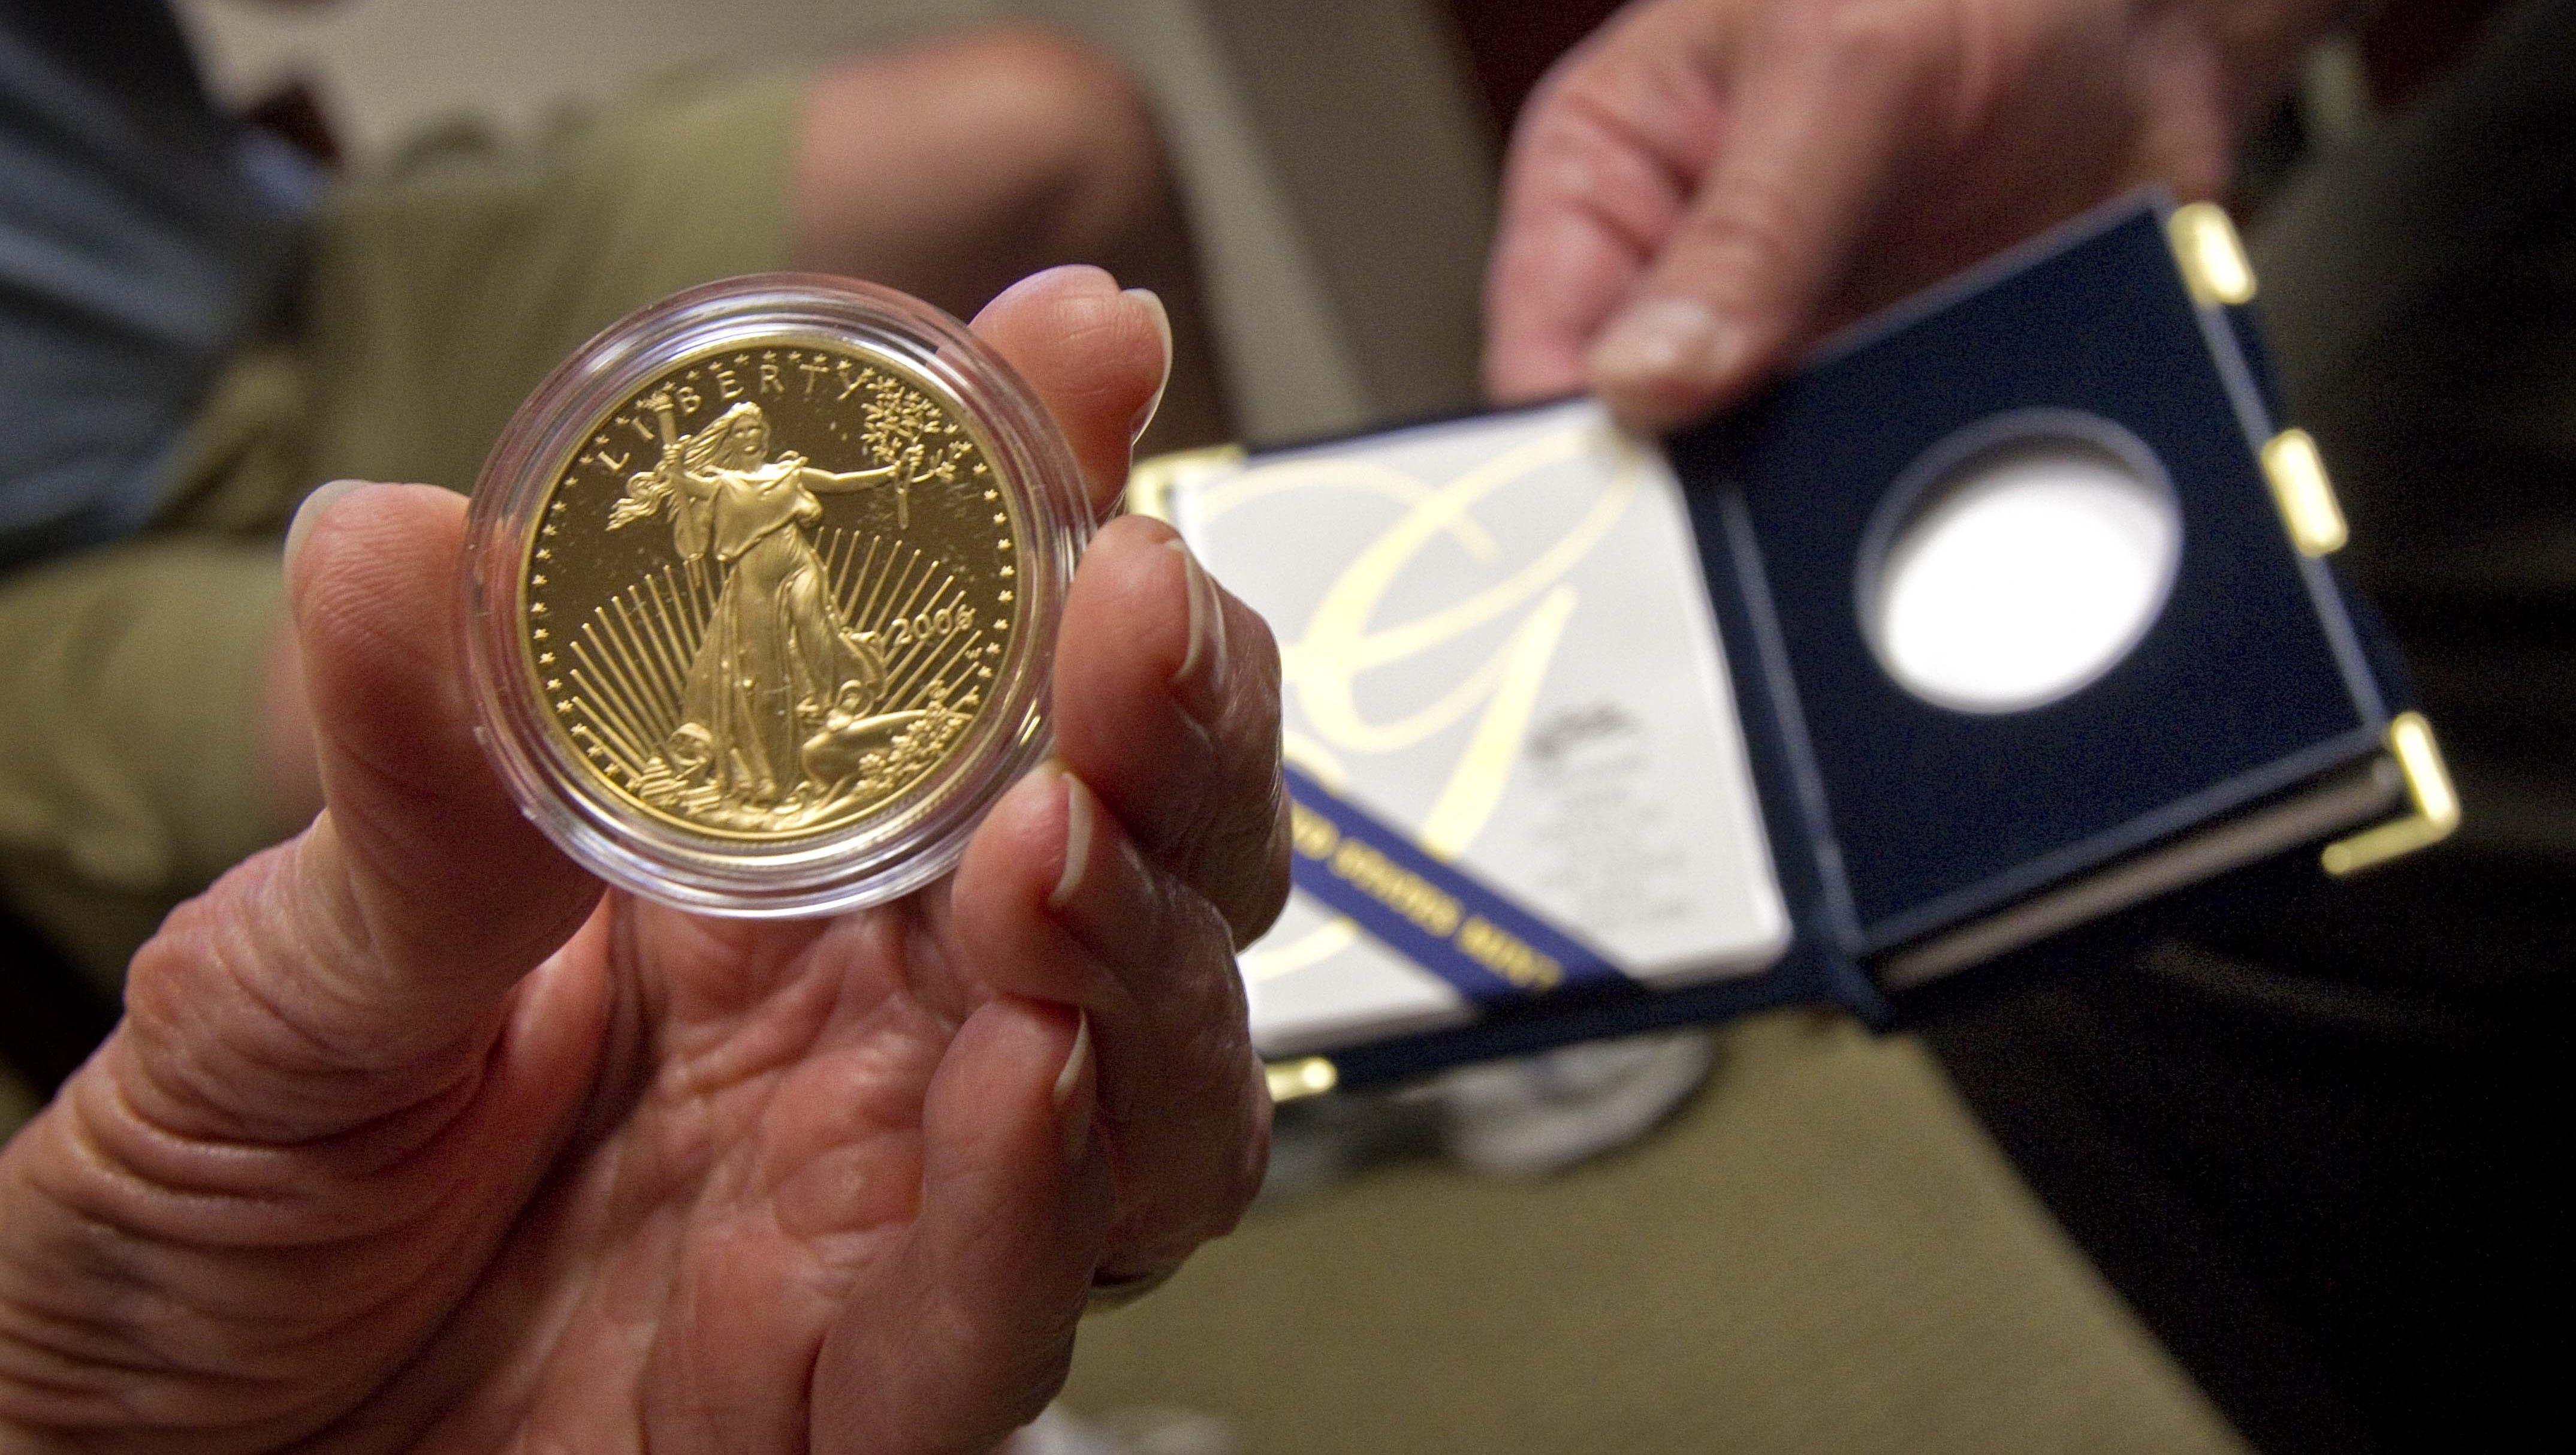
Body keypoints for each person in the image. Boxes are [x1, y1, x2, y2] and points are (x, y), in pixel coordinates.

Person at [0, 263, 1292, 1454]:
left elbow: (830, 491)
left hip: (801, 598)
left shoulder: (774, 483)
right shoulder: (720, 493)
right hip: (756, 609)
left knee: (902, 732)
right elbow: (692, 516)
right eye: (738, 444)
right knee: (775, 702)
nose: (748, 448)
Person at [0, 0, 1225, 980]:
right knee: (492, 702)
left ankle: (1252, 812)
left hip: (296, 281)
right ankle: (1077, 953)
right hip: (56, 568)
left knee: (1046, 137)